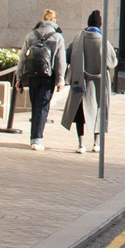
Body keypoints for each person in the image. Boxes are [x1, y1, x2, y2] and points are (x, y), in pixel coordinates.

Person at [63, 9, 109, 155]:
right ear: (100, 25)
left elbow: (68, 55)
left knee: (80, 114)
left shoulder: (78, 38)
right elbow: (112, 61)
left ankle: (81, 144)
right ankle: (96, 143)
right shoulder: (103, 41)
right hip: (98, 84)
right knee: (98, 112)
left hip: (80, 82)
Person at [20, 9, 65, 150]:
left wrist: (19, 77)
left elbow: (22, 59)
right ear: (54, 21)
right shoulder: (57, 37)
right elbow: (60, 60)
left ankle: (34, 137)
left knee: (35, 106)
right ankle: (37, 139)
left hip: (32, 75)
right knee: (43, 106)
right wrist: (61, 78)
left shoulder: (31, 35)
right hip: (48, 76)